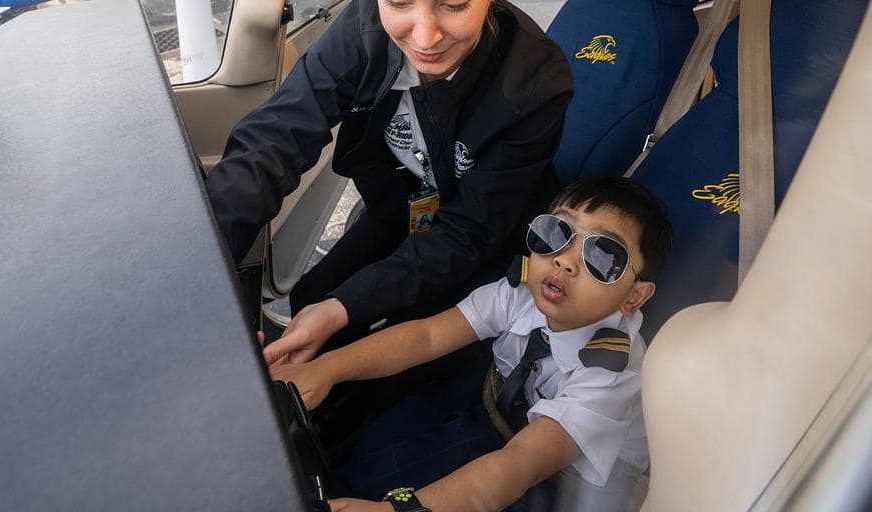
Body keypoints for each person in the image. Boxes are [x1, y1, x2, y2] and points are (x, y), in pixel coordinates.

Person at [206, 0, 574, 366]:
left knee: (375, 360)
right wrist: (199, 272)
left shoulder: (536, 83)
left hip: (486, 246)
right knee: (311, 302)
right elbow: (274, 139)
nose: (423, 37)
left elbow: (468, 233)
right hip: (400, 210)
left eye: (454, 2)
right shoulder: (363, 30)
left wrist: (349, 309)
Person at [271, 176, 671, 512]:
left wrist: (402, 509)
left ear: (634, 297)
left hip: (567, 477)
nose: (565, 260)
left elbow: (521, 463)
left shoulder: (611, 375)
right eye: (557, 231)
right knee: (379, 443)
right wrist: (325, 369)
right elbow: (427, 337)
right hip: (500, 407)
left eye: (603, 255)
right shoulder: (521, 292)